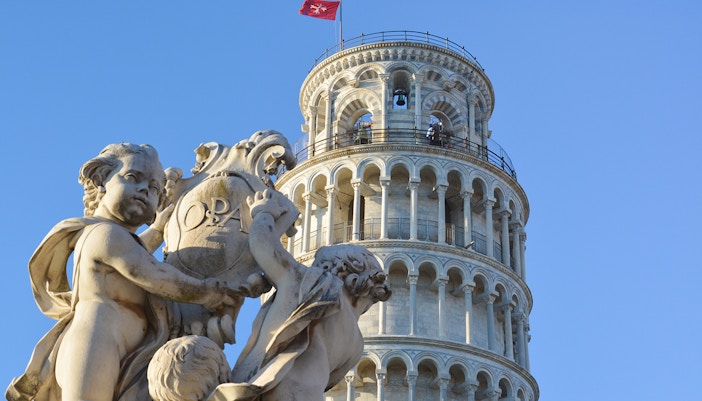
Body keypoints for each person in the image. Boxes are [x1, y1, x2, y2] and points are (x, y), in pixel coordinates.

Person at [6, 143, 240, 401]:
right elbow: (154, 275)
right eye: (133, 177)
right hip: (95, 342)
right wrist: (208, 292)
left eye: (154, 188)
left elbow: (135, 254)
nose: (145, 189)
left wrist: (158, 231)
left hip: (130, 349)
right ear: (100, 181)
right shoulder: (103, 234)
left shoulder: (120, 241)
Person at [207, 189, 391, 401]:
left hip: (277, 391)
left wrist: (264, 212)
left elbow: (265, 249)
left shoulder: (316, 285)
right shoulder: (356, 344)